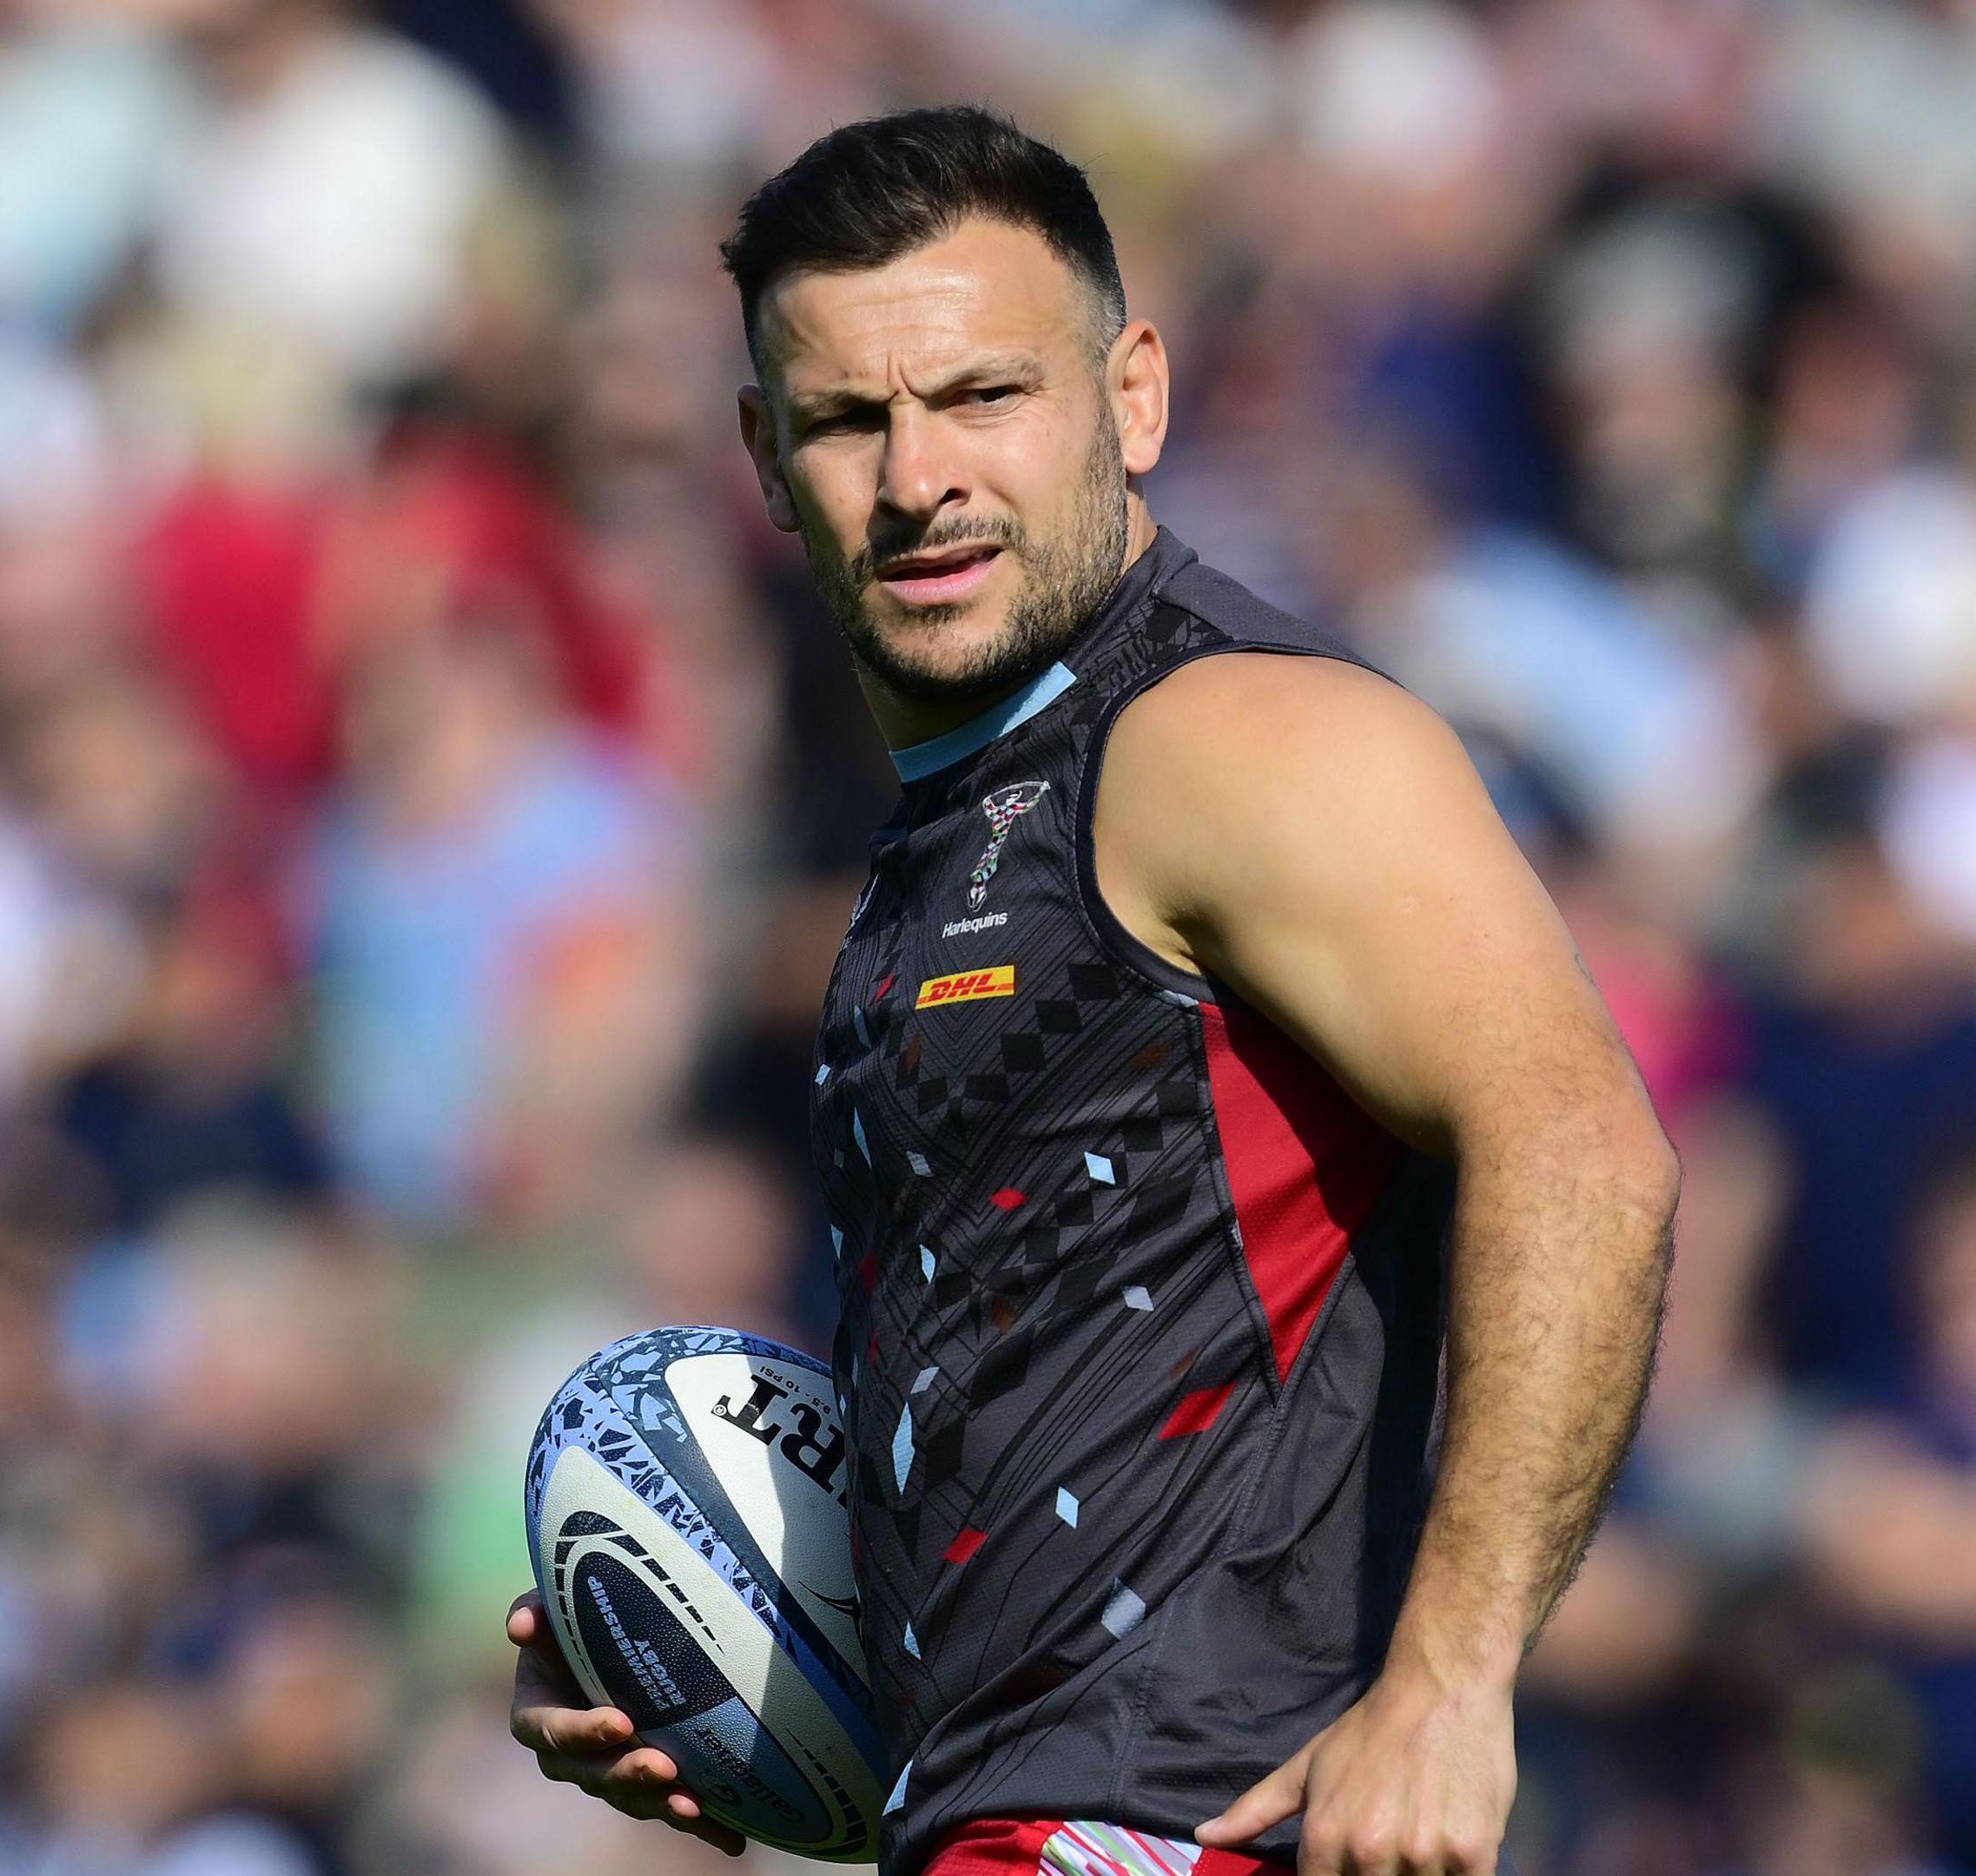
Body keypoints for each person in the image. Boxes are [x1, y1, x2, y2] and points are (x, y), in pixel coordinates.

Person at [506, 108, 1678, 1876]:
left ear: (1132, 395)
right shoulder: (945, 828)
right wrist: (733, 1681)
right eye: (845, 420)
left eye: (983, 396)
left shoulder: (1236, 737)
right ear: (760, 456)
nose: (916, 480)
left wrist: (1450, 1680)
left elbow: (1585, 1149)